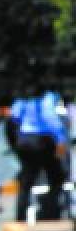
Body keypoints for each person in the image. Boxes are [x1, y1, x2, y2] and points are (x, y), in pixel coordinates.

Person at [10, 86, 67, 222]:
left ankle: (21, 216)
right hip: (42, 140)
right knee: (57, 177)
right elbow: (50, 118)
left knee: (26, 181)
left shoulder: (23, 97)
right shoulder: (47, 96)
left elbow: (15, 115)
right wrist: (60, 139)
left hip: (24, 139)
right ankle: (51, 211)